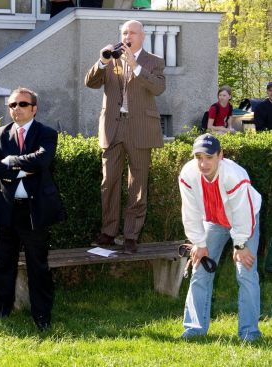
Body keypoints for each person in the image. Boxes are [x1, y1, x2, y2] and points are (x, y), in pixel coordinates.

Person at [0, 87, 65, 331]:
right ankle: (0, 312)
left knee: (37, 266)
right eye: (11, 105)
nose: (15, 109)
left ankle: (42, 317)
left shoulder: (46, 133)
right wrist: (22, 169)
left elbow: (42, 161)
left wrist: (9, 162)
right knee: (2, 264)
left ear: (34, 108)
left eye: (21, 104)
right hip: (4, 209)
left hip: (34, 210)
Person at [85, 20, 165, 254]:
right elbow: (90, 83)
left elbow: (159, 88)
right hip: (112, 127)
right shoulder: (111, 58)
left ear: (142, 36)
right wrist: (102, 61)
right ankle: (108, 232)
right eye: (124, 32)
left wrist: (136, 66)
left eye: (131, 32)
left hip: (140, 128)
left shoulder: (154, 61)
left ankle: (131, 235)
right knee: (108, 181)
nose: (127, 35)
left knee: (137, 184)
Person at [178, 133, 262, 341]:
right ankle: (194, 329)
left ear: (220, 156)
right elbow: (190, 212)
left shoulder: (235, 176)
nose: (203, 163)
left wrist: (240, 244)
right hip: (213, 220)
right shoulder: (188, 175)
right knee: (199, 268)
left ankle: (249, 333)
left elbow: (243, 213)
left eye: (209, 157)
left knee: (246, 271)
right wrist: (199, 243)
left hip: (244, 220)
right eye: (198, 157)